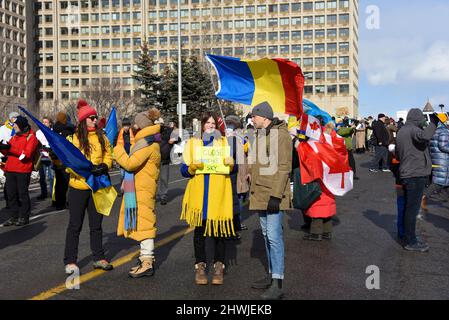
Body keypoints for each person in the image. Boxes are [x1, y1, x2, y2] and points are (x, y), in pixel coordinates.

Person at [180, 111, 235, 286]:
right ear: (202, 125)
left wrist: (231, 164)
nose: (211, 126)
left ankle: (219, 265)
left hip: (218, 193)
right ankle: (200, 266)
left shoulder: (223, 142)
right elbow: (183, 170)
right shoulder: (192, 143)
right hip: (200, 194)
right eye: (208, 123)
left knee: (219, 232)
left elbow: (233, 169)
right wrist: (191, 168)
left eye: (213, 123)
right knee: (200, 232)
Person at [63, 99, 114, 274]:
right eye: (91, 117)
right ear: (83, 120)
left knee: (96, 225)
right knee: (75, 225)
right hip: (78, 187)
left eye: (95, 117)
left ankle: (98, 257)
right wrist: (83, 172)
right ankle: (70, 261)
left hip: (97, 187)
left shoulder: (102, 137)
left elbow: (109, 155)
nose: (94, 120)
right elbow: (68, 162)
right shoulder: (74, 138)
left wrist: (105, 166)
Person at [249, 102, 291, 300]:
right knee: (266, 236)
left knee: (274, 237)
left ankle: (278, 283)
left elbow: (284, 167)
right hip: (260, 193)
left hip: (273, 195)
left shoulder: (280, 135)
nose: (252, 119)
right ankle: (271, 275)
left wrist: (276, 195)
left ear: (264, 117)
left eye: (254, 117)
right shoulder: (262, 134)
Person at [114, 108, 162, 278]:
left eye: (136, 124)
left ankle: (147, 262)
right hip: (141, 187)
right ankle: (144, 259)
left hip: (142, 189)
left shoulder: (147, 145)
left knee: (145, 225)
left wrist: (117, 150)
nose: (133, 127)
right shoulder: (148, 142)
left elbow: (130, 164)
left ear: (142, 126)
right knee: (143, 223)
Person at [396, 108, 439, 252]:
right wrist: (434, 122)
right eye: (422, 119)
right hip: (414, 175)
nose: (423, 122)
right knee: (412, 210)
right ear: (416, 118)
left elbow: (398, 152)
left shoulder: (403, 130)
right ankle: (411, 241)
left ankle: (408, 236)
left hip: (409, 174)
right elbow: (425, 136)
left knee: (409, 208)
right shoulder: (413, 129)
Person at [0, 116, 39, 226]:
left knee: (22, 194)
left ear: (22, 126)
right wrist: (2, 148)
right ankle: (14, 216)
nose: (14, 128)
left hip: (22, 170)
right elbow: (8, 153)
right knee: (11, 195)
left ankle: (24, 217)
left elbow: (26, 154)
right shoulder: (14, 137)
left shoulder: (31, 137)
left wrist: (9, 148)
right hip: (10, 169)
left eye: (16, 126)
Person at [51, 111, 75, 210]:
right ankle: (67, 201)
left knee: (59, 183)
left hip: (57, 160)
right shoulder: (69, 130)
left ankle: (58, 202)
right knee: (67, 182)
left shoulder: (54, 131)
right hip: (67, 160)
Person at [424, 120, 449, 211]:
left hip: (437, 159)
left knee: (444, 182)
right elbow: (443, 146)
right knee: (438, 182)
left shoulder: (435, 131)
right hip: (443, 160)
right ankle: (422, 197)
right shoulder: (444, 131)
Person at [158, 119, 179, 205]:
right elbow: (163, 139)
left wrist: (173, 140)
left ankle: (163, 196)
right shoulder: (153, 133)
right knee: (153, 180)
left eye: (160, 124)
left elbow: (178, 139)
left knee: (164, 178)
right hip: (154, 159)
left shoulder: (167, 131)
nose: (159, 126)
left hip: (165, 159)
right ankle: (152, 196)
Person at [0, 111, 19, 209]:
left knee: (17, 181)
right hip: (5, 158)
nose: (16, 120)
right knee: (9, 181)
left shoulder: (18, 129)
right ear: (11, 118)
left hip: (16, 157)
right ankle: (8, 200)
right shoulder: (2, 129)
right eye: (15, 118)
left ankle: (16, 199)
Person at [116, 117, 135, 196]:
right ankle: (122, 189)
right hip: (122, 156)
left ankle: (128, 189)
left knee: (129, 173)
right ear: (122, 126)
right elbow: (116, 145)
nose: (126, 127)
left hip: (130, 156)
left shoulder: (132, 133)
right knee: (122, 174)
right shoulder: (119, 134)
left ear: (129, 126)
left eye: (127, 125)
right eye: (124, 126)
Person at [36, 117, 54, 201]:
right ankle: (43, 193)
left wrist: (49, 148)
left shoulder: (53, 131)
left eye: (46, 122)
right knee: (42, 177)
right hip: (41, 157)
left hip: (50, 156)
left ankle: (52, 193)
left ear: (50, 123)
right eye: (43, 122)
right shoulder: (38, 132)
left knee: (51, 176)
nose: (44, 124)